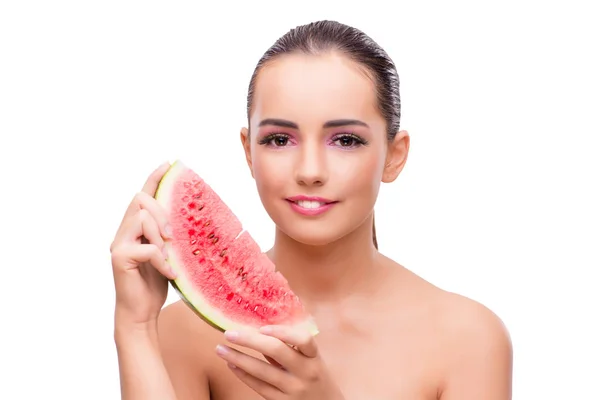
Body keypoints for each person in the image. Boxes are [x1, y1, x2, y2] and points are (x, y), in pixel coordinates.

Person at [110, 20, 513, 399]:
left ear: (394, 155)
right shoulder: (184, 332)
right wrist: (135, 326)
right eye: (280, 140)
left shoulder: (469, 338)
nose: (310, 172)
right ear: (248, 153)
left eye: (346, 140)